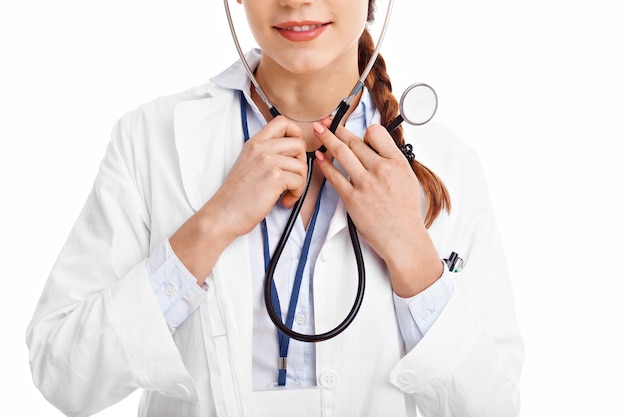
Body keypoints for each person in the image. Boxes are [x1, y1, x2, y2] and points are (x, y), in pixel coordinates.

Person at [26, 0, 524, 415]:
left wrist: (411, 252)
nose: (295, 0)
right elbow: (62, 373)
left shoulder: (450, 165)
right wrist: (213, 224)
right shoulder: (149, 139)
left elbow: (492, 404)